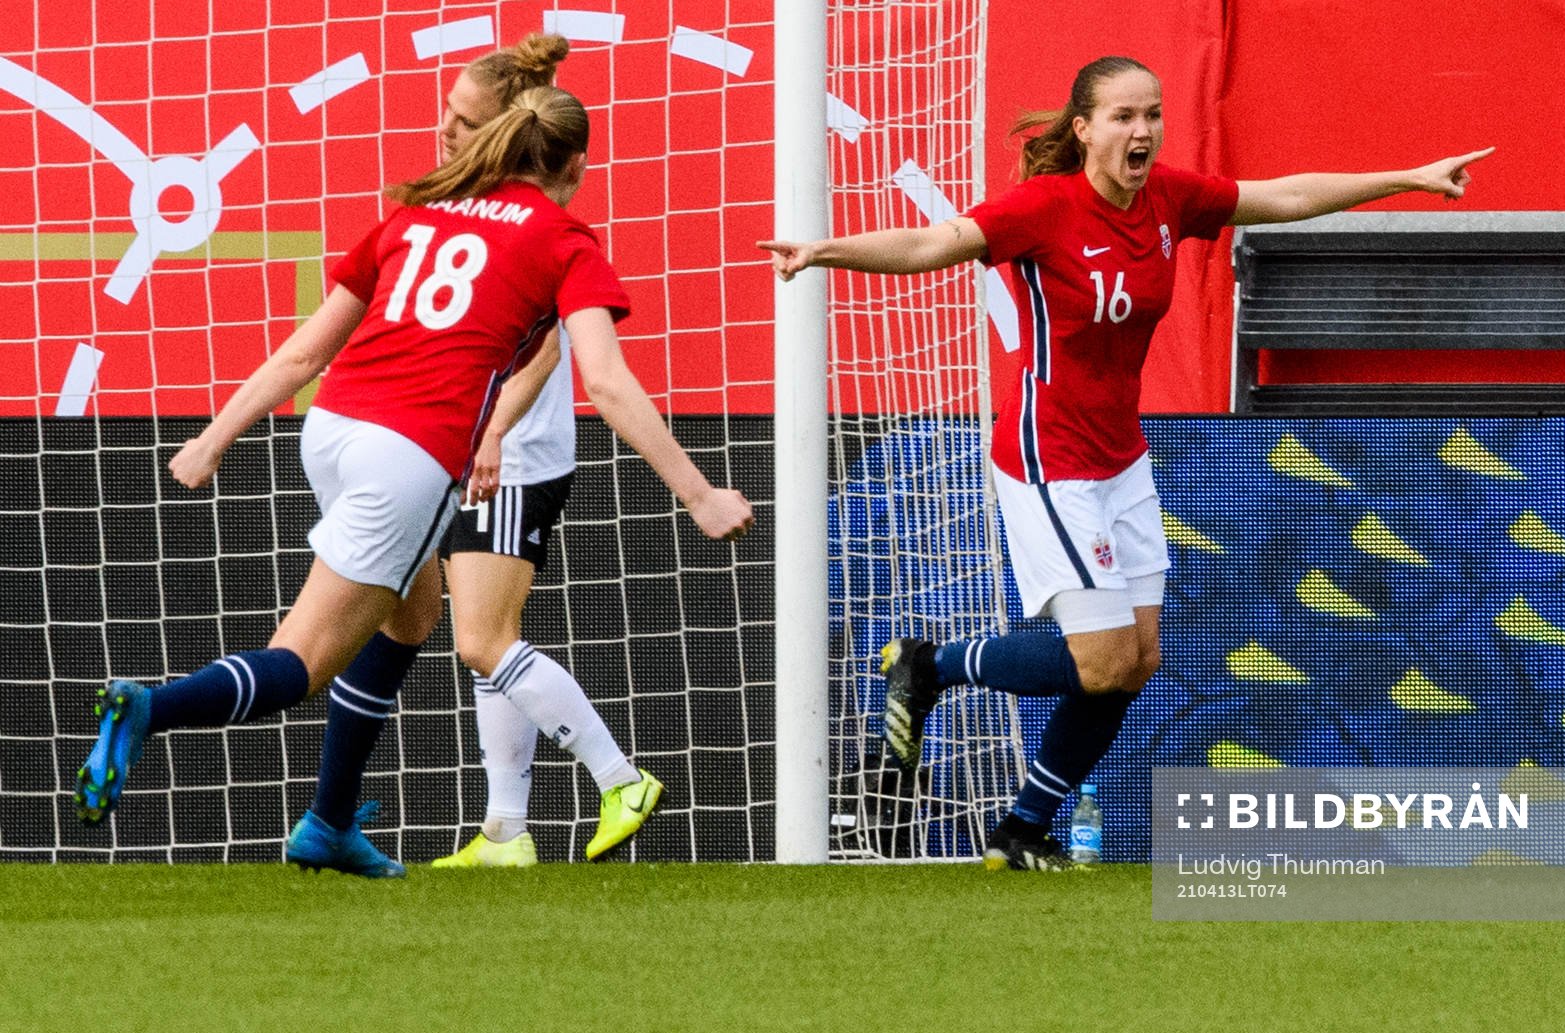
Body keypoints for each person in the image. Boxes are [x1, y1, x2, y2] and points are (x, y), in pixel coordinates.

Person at [761, 55, 1489, 870]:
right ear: (1083, 130)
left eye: (1153, 115)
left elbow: (1284, 195)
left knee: (1138, 662)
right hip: (1049, 455)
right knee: (1099, 660)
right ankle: (927, 665)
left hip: (1120, 457)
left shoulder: (1171, 199)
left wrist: (1411, 177)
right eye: (1123, 117)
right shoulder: (1045, 207)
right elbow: (935, 240)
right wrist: (826, 251)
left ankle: (1023, 828)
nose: (1142, 131)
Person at [75, 85, 754, 876]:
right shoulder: (564, 238)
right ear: (576, 165)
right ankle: (151, 707)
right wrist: (699, 493)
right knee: (300, 662)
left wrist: (216, 437)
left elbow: (304, 352)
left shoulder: (418, 211)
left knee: (412, 614)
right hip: (412, 455)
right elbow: (604, 381)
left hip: (329, 431)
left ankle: (329, 822)